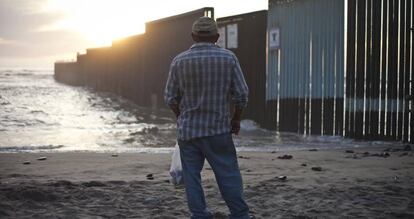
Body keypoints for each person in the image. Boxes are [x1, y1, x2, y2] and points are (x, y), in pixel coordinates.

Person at [164, 16, 250, 219]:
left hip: (189, 132)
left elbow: (170, 97)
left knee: (192, 177)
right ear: (217, 36)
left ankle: (200, 214)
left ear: (193, 36)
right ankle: (239, 214)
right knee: (228, 174)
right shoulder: (228, 58)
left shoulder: (179, 61)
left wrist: (181, 116)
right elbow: (242, 94)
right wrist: (236, 120)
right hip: (218, 130)